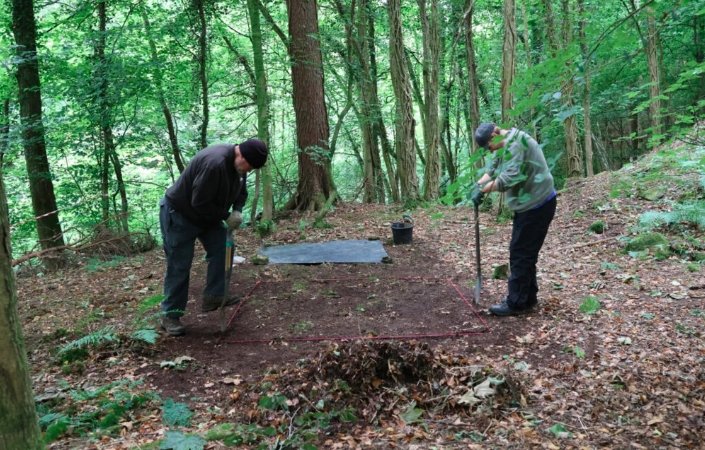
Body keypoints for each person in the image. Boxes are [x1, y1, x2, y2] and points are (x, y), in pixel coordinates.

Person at [159, 139, 268, 336]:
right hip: (180, 214)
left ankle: (215, 295)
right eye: (249, 166)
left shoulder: (239, 167)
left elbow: (241, 192)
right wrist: (226, 216)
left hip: (206, 216)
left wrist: (237, 210)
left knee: (224, 247)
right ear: (241, 155)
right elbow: (199, 202)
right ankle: (170, 314)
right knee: (179, 264)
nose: (248, 171)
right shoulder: (214, 163)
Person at [472, 123, 556, 316]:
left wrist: (484, 190)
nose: (489, 150)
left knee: (520, 252)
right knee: (525, 252)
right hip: (530, 205)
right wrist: (478, 185)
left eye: (488, 146)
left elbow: (507, 179)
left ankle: (516, 303)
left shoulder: (516, 144)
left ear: (494, 134)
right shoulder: (504, 144)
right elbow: (492, 168)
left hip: (538, 205)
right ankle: (528, 297)